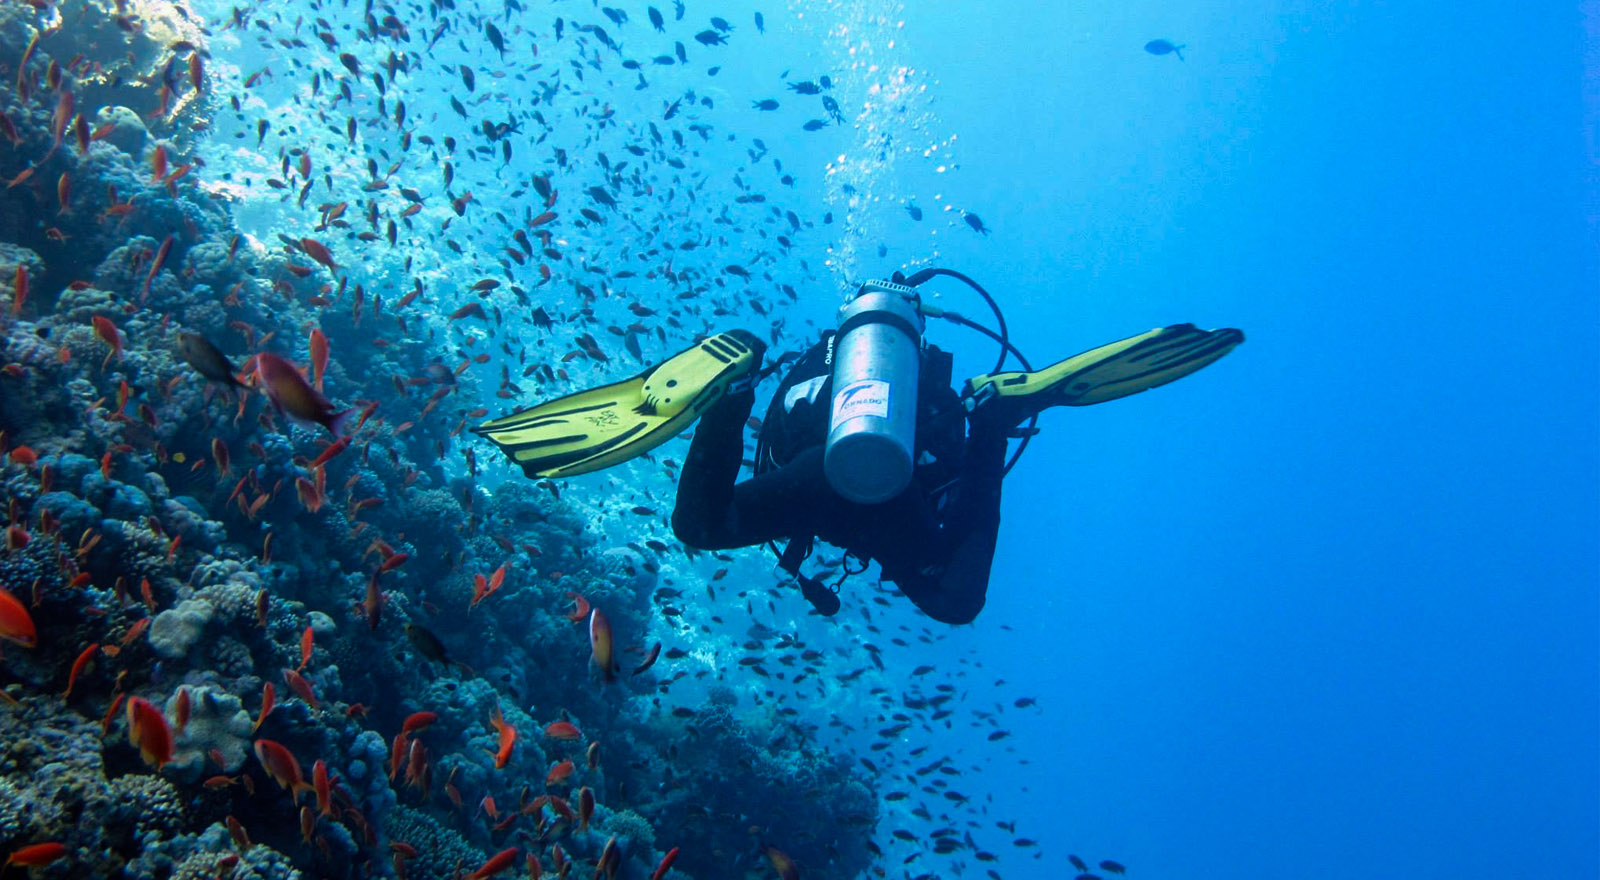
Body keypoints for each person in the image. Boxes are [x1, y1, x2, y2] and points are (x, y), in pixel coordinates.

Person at [475, 273, 1243, 624]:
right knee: (955, 600)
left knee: (703, 525)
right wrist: (971, 443)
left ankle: (730, 383)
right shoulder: (912, 389)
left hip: (817, 464)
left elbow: (778, 447)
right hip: (897, 484)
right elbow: (949, 532)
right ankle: (997, 417)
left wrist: (761, 411)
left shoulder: (827, 365)